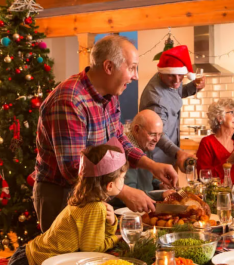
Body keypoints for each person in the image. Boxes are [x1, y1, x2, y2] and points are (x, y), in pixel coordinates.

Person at [34, 35, 178, 232]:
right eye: (131, 68)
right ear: (109, 67)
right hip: (62, 194)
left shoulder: (110, 96)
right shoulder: (70, 100)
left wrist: (152, 165)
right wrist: (124, 191)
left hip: (94, 191)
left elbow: (119, 140)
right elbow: (73, 169)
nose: (135, 76)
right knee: (65, 259)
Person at [0, 142, 128, 265]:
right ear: (110, 185)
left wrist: (111, 222)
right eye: (122, 177)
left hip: (26, 257)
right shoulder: (95, 208)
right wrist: (116, 237)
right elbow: (93, 251)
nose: (124, 181)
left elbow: (94, 239)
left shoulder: (86, 201)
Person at [139, 45, 205, 169]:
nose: (176, 80)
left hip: (169, 156)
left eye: (180, 75)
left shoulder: (169, 77)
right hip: (156, 160)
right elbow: (157, 135)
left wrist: (194, 87)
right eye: (172, 76)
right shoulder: (156, 99)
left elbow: (176, 93)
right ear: (161, 73)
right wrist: (179, 153)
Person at [196, 99, 234, 185]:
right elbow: (204, 178)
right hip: (218, 196)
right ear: (219, 118)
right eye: (232, 113)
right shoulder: (207, 143)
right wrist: (228, 162)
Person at [124, 110, 175, 202]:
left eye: (160, 134)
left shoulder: (145, 147)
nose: (156, 139)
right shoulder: (126, 154)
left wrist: (159, 185)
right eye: (152, 134)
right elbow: (130, 194)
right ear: (136, 129)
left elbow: (146, 181)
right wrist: (160, 195)